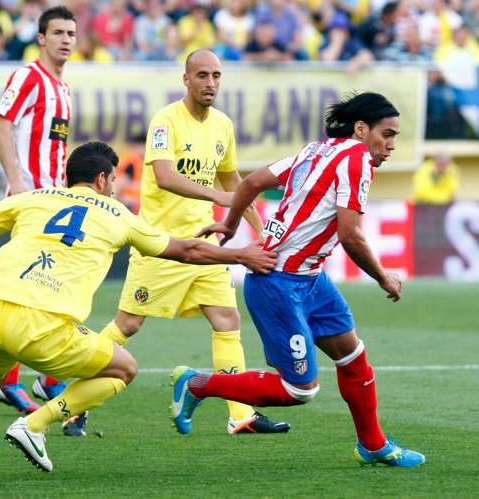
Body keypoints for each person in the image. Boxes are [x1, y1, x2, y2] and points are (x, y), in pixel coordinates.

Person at [0, 141, 278, 476]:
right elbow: (187, 250)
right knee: (124, 368)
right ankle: (35, 424)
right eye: (112, 179)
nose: (114, 186)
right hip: (44, 326)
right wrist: (240, 255)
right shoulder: (117, 215)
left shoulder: (33, 198)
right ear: (101, 179)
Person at [172, 92, 426, 468]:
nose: (391, 145)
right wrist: (382, 277)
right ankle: (198, 383)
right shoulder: (357, 159)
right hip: (278, 282)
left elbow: (253, 181)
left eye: (395, 137)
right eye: (386, 134)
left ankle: (373, 446)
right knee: (299, 390)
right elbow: (351, 235)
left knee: (353, 357)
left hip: (310, 279)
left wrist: (231, 223)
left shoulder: (315, 149)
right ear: (361, 129)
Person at [98, 49, 291, 435]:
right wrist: (219, 197)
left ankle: (240, 415)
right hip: (161, 243)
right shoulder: (166, 121)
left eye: (216, 75)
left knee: (227, 319)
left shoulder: (222, 125)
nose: (210, 83)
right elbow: (166, 176)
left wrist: (262, 228)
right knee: (129, 324)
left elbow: (234, 181)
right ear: (186, 79)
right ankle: (69, 387)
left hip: (204, 242)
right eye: (202, 75)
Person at [0, 5, 78, 429]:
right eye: (58, 33)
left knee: (51, 285)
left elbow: (55, 149)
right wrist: (16, 181)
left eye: (71, 34)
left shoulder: (63, 88)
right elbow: (1, 125)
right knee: (30, 288)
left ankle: (43, 377)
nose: (65, 40)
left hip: (56, 203)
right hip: (30, 201)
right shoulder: (28, 77)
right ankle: (17, 381)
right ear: (41, 37)